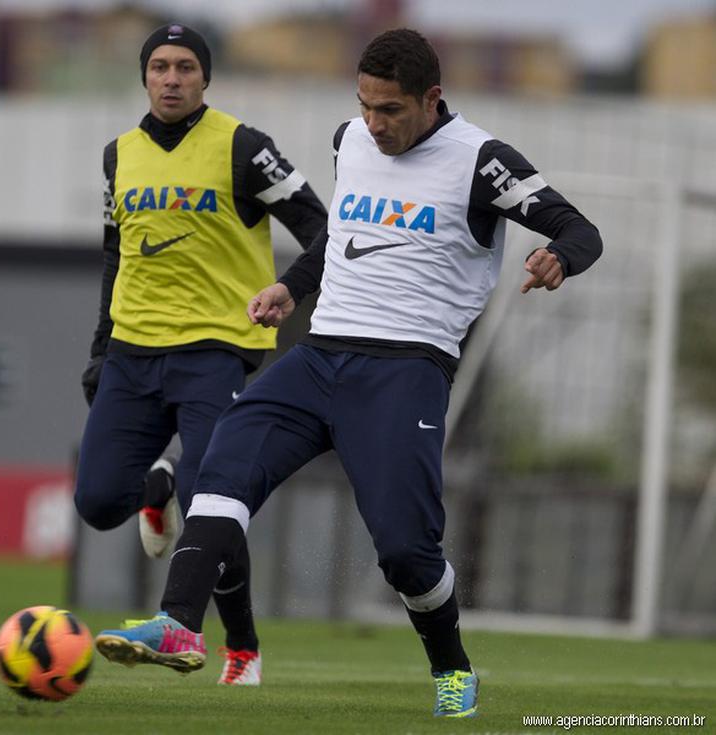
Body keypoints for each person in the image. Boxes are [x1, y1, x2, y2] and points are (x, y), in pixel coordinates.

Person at [94, 28, 603, 716]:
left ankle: (453, 667)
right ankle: (179, 625)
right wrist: (292, 287)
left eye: (390, 109)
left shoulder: (481, 161)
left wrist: (559, 258)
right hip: (319, 354)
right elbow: (341, 235)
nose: (373, 123)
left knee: (404, 551)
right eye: (364, 105)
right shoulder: (351, 141)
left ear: (432, 99)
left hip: (405, 370)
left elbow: (579, 228)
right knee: (221, 465)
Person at [76, 23, 327, 686]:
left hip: (215, 348)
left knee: (209, 494)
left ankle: (240, 645)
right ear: (144, 76)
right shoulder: (118, 154)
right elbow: (114, 253)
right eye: (159, 66)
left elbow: (323, 227)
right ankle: (152, 485)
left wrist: (289, 287)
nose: (171, 78)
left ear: (205, 78)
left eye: (186, 67)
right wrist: (100, 348)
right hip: (131, 350)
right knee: (98, 501)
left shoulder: (244, 148)